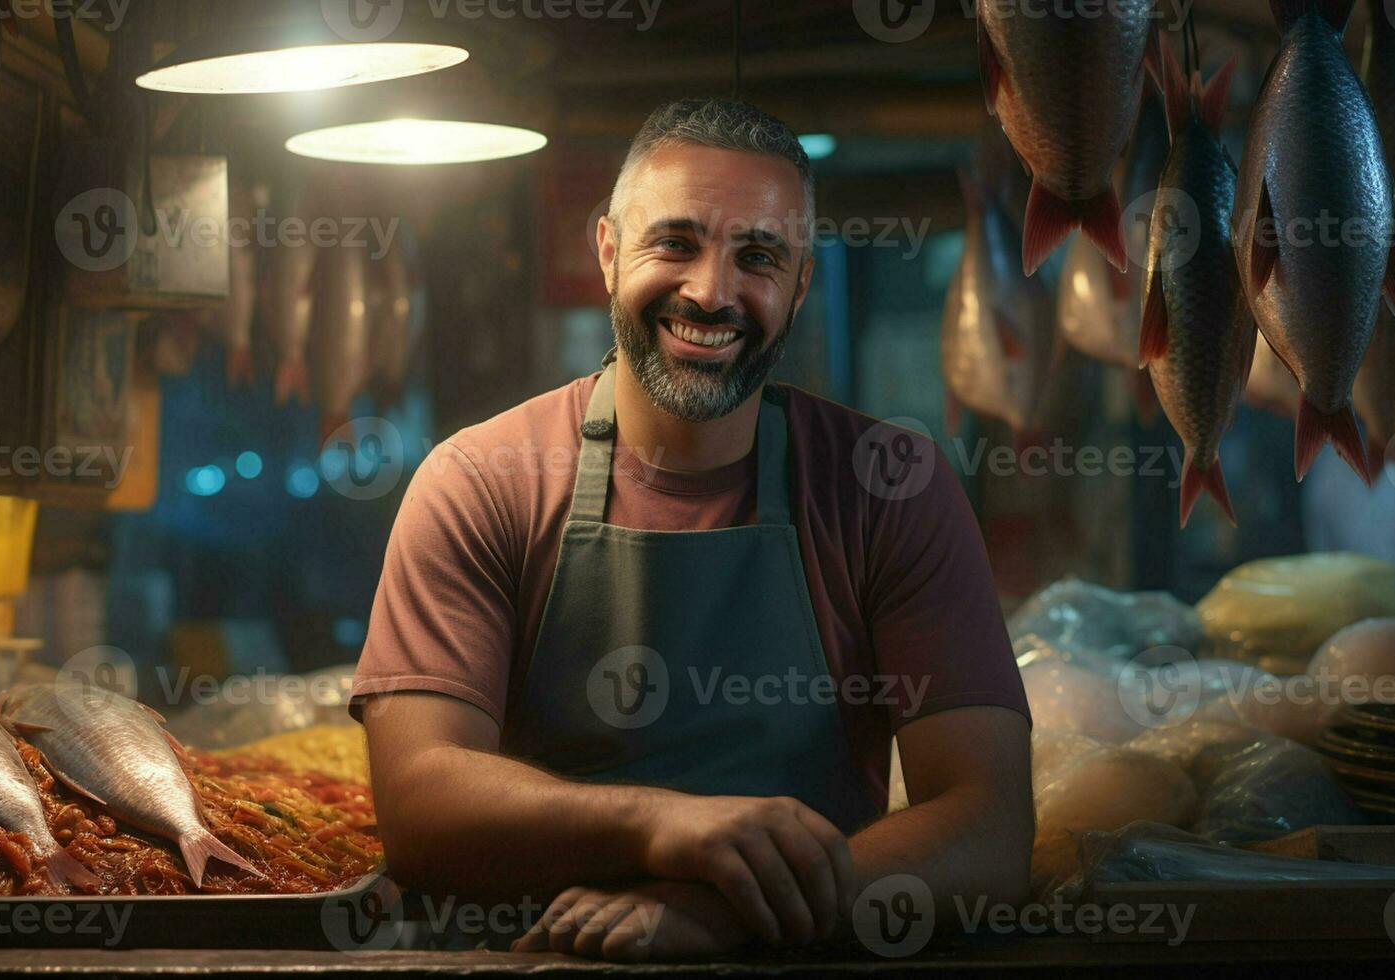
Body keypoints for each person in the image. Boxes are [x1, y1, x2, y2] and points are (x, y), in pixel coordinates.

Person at [351, 99, 1033, 962]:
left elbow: (990, 828)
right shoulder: (480, 481)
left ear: (800, 285)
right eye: (674, 243)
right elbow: (420, 805)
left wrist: (727, 911)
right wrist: (666, 829)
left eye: (757, 257)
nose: (711, 292)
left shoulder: (890, 489)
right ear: (606, 251)